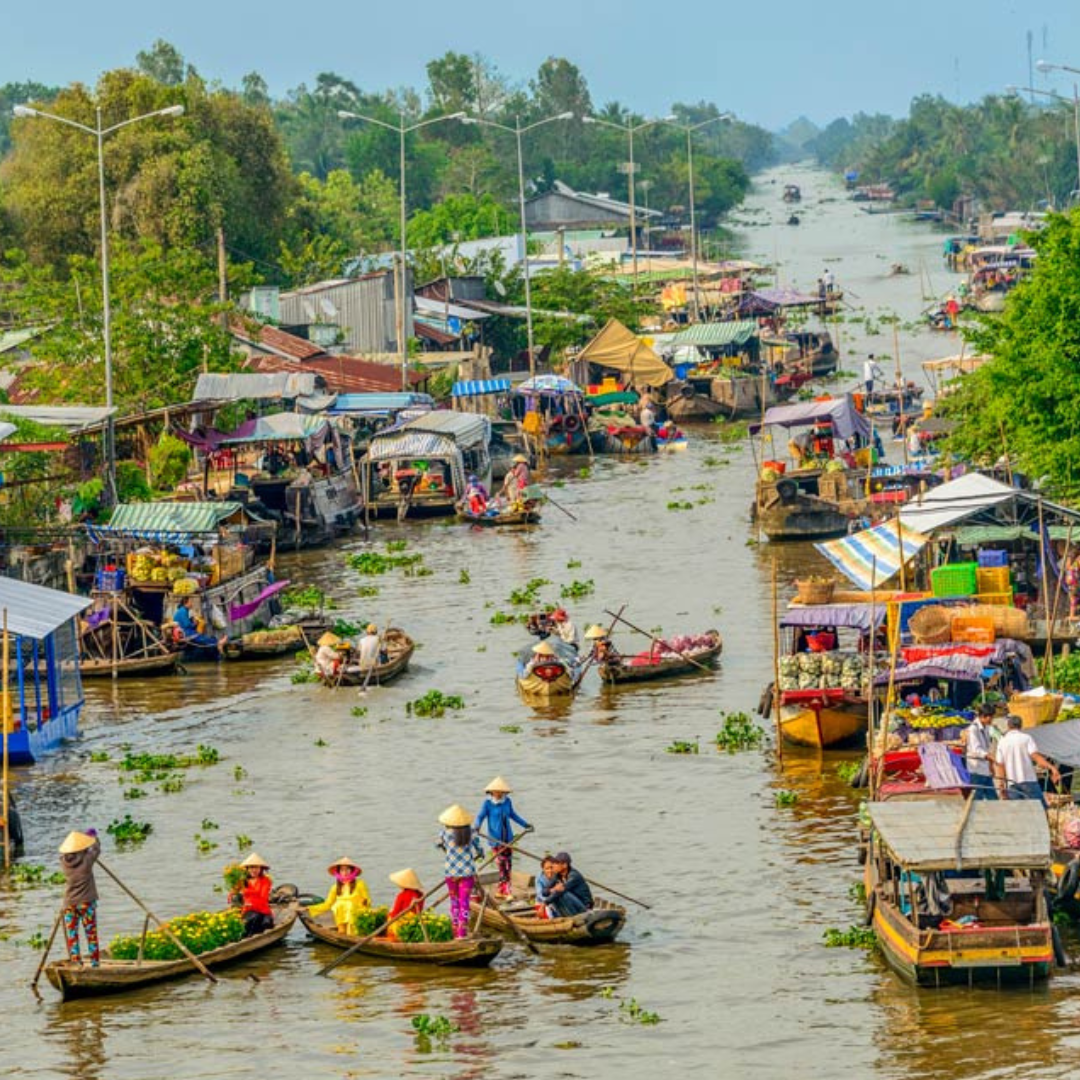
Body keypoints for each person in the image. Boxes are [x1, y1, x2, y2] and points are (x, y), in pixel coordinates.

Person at [474, 777, 531, 897]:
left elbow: (513, 815)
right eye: (496, 791)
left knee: (508, 864)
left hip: (507, 839)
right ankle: (506, 890)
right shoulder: (488, 804)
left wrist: (525, 824)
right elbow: (480, 816)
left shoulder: (507, 801)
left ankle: (503, 890)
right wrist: (477, 826)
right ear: (491, 792)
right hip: (495, 839)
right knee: (501, 864)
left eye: (501, 791)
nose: (499, 794)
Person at [437, 805, 484, 939]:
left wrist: (448, 849)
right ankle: (461, 933)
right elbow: (479, 848)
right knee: (464, 902)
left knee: (454, 901)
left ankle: (454, 928)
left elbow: (438, 845)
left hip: (451, 872)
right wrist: (480, 854)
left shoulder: (444, 834)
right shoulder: (471, 832)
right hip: (467, 873)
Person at [993, 714, 1061, 806]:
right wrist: (1052, 767)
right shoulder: (1026, 738)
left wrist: (1001, 785)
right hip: (1028, 781)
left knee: (1017, 811)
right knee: (1039, 809)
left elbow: (1000, 765)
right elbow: (1036, 757)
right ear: (1021, 726)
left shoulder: (1002, 742)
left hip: (1012, 784)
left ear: (1008, 726)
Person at [59, 830, 101, 967]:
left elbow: (66, 854)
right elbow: (96, 848)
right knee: (91, 934)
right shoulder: (87, 859)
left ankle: (76, 961)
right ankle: (95, 963)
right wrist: (92, 837)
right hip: (86, 903)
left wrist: (84, 847)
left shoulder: (63, 862)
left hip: (69, 904)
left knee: (72, 935)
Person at [307, 857, 371, 934]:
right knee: (338, 904)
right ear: (339, 872)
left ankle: (352, 932)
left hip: (355, 917)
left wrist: (364, 903)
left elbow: (367, 902)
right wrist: (309, 909)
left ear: (352, 870)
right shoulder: (335, 887)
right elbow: (328, 904)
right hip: (341, 920)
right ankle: (342, 931)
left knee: (349, 905)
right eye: (342, 870)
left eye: (347, 869)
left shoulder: (360, 884)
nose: (345, 872)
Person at [537, 851, 593, 918]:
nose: (553, 866)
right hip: (572, 905)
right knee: (554, 894)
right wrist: (552, 890)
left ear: (565, 865)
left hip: (584, 908)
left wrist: (544, 904)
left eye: (556, 863)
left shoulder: (574, 875)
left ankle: (573, 918)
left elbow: (561, 890)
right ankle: (563, 917)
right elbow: (544, 892)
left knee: (562, 893)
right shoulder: (557, 875)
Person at [232, 852, 275, 937]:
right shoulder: (242, 881)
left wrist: (248, 894)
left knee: (266, 923)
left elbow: (263, 897)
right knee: (252, 918)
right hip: (248, 910)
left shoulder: (265, 881)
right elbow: (233, 894)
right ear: (247, 869)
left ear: (261, 869)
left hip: (262, 910)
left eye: (256, 867)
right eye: (251, 867)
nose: (254, 870)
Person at [963, 704, 998, 800]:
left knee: (993, 799)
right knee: (977, 800)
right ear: (983, 716)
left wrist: (991, 765)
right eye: (990, 717)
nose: (992, 720)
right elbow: (976, 750)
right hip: (976, 770)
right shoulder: (973, 729)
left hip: (985, 770)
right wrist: (990, 757)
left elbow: (987, 748)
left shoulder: (986, 728)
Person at [385, 868, 425, 940]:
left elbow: (396, 912)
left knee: (390, 917)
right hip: (416, 918)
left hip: (404, 920)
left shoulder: (402, 895)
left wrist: (389, 914)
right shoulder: (420, 894)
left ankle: (395, 937)